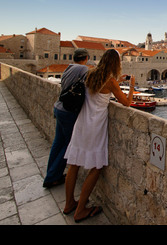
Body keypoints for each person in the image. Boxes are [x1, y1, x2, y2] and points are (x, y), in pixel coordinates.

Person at [63, 49, 135, 222]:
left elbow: (100, 87)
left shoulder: (91, 74)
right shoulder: (110, 82)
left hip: (81, 124)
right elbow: (126, 103)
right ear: (116, 64)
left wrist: (117, 81)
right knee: (97, 167)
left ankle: (69, 204)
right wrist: (131, 85)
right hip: (95, 126)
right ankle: (80, 210)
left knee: (73, 164)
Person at [43, 48, 90, 188]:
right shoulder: (83, 69)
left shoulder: (68, 68)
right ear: (86, 58)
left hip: (59, 107)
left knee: (58, 143)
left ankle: (51, 173)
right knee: (69, 144)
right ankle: (52, 177)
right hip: (69, 111)